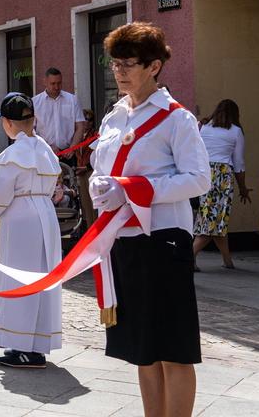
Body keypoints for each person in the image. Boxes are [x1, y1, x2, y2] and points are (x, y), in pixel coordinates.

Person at [89, 22, 209, 417]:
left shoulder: (177, 119)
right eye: (115, 63)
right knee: (143, 349)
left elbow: (198, 179)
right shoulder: (113, 117)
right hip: (124, 240)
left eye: (129, 63)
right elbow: (99, 166)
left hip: (163, 239)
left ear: (154, 66)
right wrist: (99, 186)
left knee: (173, 349)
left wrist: (136, 188)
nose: (119, 71)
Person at [0, 93, 62, 368]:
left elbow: (1, 195)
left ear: (7, 123)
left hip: (21, 218)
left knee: (19, 279)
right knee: (41, 278)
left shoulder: (15, 154)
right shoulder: (44, 150)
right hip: (45, 215)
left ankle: (22, 344)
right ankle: (35, 343)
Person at [193, 99, 251, 270]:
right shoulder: (235, 131)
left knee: (217, 220)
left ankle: (227, 260)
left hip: (203, 174)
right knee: (214, 221)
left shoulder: (203, 127)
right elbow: (239, 163)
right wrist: (243, 188)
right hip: (222, 176)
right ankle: (189, 257)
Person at [32, 67, 86, 161]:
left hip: (68, 154)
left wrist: (72, 148)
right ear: (45, 82)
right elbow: (30, 131)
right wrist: (46, 147)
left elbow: (80, 127)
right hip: (44, 154)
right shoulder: (35, 103)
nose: (56, 87)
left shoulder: (72, 100)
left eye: (59, 83)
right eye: (53, 84)